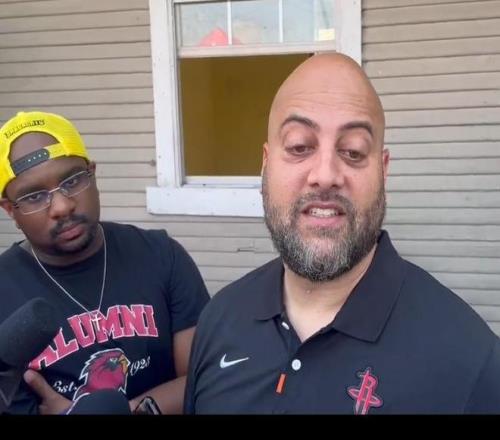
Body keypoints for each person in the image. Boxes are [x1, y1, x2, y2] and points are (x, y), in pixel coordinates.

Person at [184, 53, 500, 414]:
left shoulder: (470, 362)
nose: (325, 175)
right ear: (266, 164)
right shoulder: (220, 320)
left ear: (383, 170)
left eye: (352, 151)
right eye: (299, 146)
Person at [0, 111, 210, 414]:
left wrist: (126, 410)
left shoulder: (162, 255)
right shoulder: (4, 289)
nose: (62, 206)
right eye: (34, 196)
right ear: (10, 210)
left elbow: (202, 379)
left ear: (93, 174)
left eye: (72, 180)